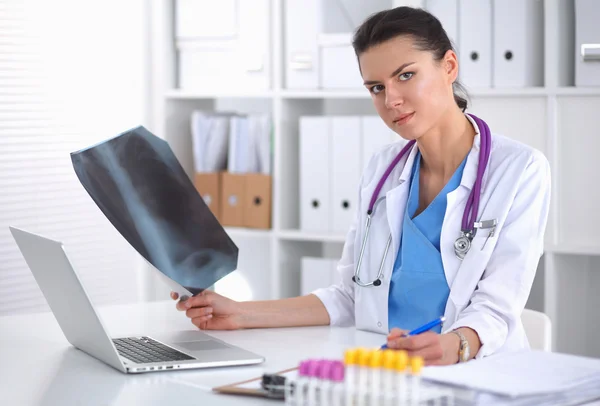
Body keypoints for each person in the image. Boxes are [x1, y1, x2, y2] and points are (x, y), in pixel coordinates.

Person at [171, 6, 551, 366]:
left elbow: (498, 307)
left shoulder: (519, 170)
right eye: (375, 87)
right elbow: (350, 296)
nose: (392, 100)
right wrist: (239, 314)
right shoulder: (382, 169)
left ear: (448, 66)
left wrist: (454, 345)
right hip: (388, 370)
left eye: (405, 75)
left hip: (478, 371)